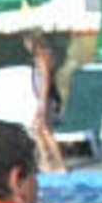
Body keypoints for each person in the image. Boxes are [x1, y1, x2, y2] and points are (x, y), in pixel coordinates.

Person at [25, 31, 68, 174]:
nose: (26, 46)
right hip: (44, 98)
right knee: (38, 129)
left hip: (47, 98)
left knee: (45, 130)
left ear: (34, 42)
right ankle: (46, 162)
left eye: (27, 43)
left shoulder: (42, 57)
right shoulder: (42, 56)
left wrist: (42, 103)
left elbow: (46, 79)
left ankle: (59, 164)